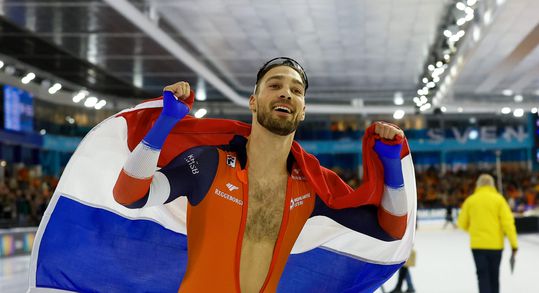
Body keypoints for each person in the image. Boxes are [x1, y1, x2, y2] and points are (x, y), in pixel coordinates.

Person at [112, 57, 411, 292]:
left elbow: (391, 230)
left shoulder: (312, 185)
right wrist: (165, 122)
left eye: (296, 90)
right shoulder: (207, 165)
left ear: (303, 110)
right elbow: (129, 196)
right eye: (275, 85)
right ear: (253, 102)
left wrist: (391, 162)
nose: (286, 93)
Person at [458, 174, 518, 293]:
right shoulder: (499, 200)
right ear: (492, 184)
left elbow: (461, 223)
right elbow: (508, 224)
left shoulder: (471, 200)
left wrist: (474, 230)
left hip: (478, 246)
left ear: (478, 185)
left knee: (482, 276)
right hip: (496, 246)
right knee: (494, 277)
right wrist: (514, 245)